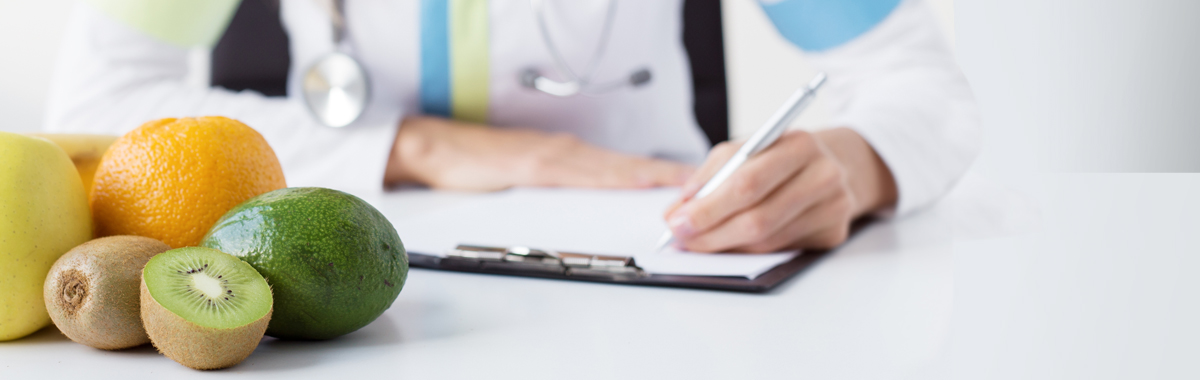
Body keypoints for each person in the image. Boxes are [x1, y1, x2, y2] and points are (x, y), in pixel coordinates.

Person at [45, 0, 980, 253]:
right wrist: (416, 145)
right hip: (356, 289)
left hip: (656, 276)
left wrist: (856, 166)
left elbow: (917, 78)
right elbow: (90, 109)